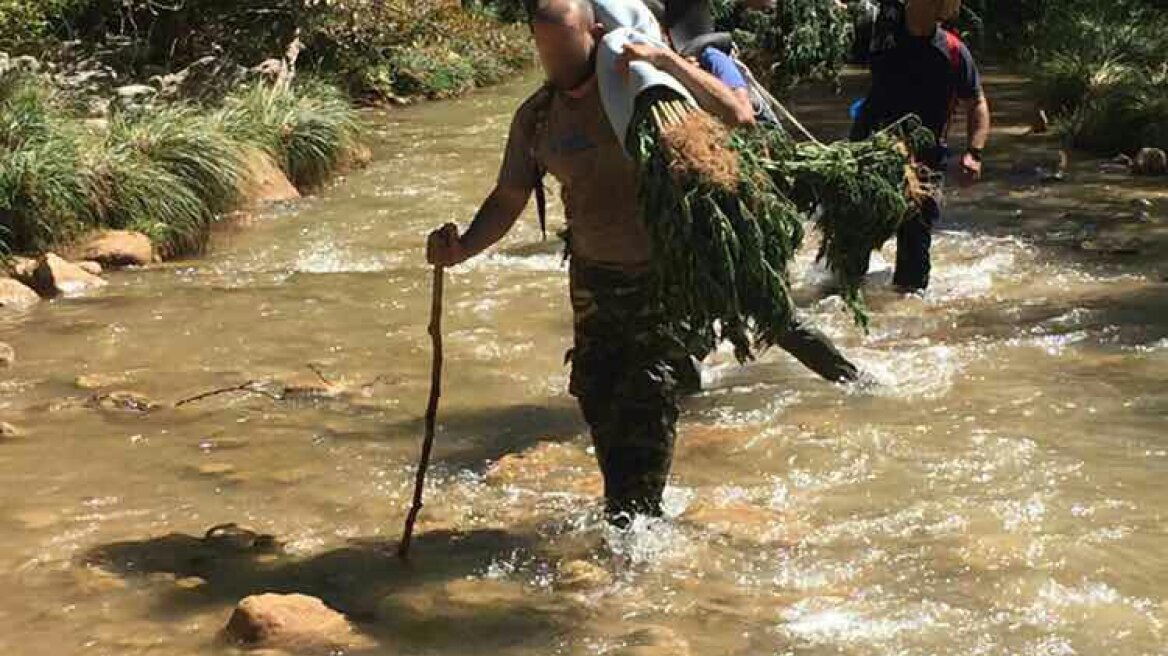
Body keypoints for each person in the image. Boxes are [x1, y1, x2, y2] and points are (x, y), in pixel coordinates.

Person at [425, 0, 749, 526]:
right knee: (597, 396)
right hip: (592, 280)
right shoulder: (536, 118)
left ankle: (635, 528)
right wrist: (461, 248)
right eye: (543, 49)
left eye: (563, 45)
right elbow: (508, 198)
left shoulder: (643, 91)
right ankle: (625, 515)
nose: (553, 60)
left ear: (596, 33)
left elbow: (738, 116)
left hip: (660, 277)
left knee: (648, 400)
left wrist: (666, 60)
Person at [624, 0, 865, 386]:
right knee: (686, 321)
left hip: (741, 214)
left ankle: (853, 380)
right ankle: (688, 403)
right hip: (699, 219)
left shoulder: (712, 60)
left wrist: (669, 62)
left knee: (774, 315)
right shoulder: (648, 79)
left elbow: (742, 116)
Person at [850, 0, 991, 292]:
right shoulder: (879, 35)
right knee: (852, 248)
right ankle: (844, 297)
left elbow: (977, 103)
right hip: (867, 154)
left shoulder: (953, 52)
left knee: (913, 267)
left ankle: (906, 313)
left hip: (924, 165)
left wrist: (974, 153)